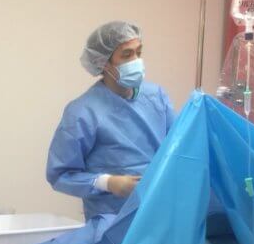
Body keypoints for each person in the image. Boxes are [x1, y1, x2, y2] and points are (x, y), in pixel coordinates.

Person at [46, 21, 176, 219]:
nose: (136, 60)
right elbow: (60, 174)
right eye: (126, 54)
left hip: (159, 211)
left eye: (138, 52)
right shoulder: (83, 112)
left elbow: (177, 147)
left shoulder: (156, 97)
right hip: (112, 220)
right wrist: (108, 183)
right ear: (104, 63)